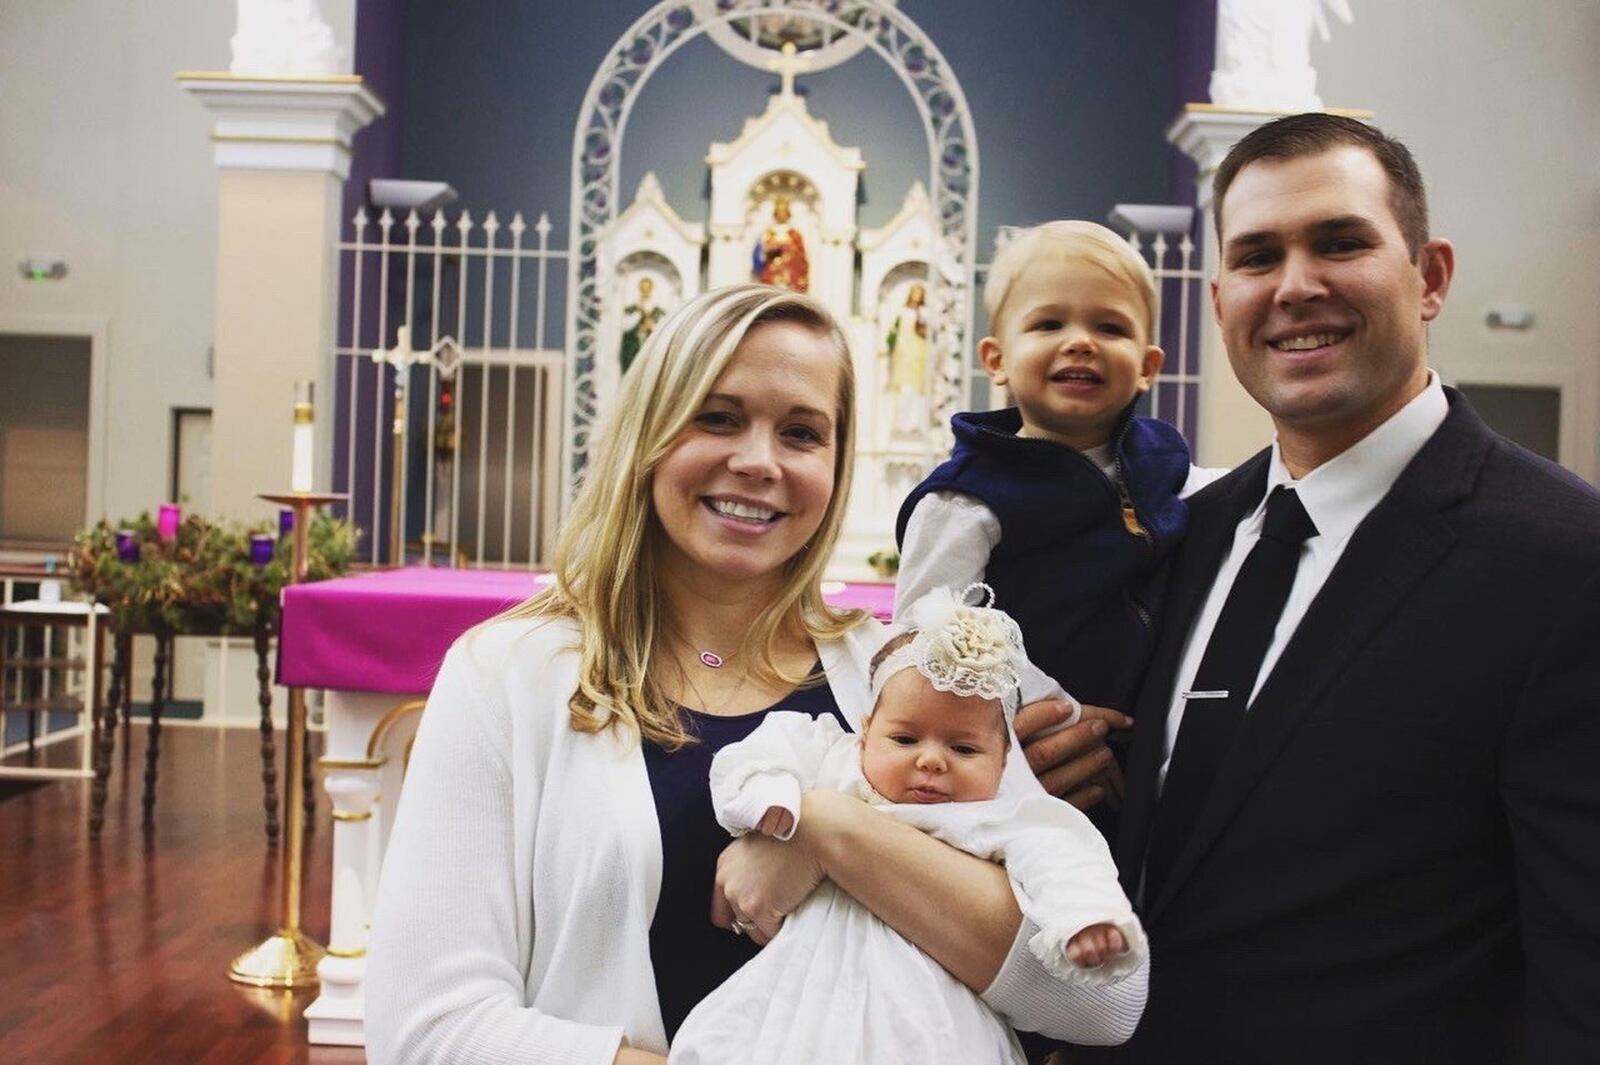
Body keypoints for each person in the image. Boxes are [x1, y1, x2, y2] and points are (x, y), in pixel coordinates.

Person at [364, 284, 1148, 1064]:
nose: (758, 462)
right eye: (718, 417)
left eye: (802, 433)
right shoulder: (508, 677)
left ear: (837, 467)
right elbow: (431, 1027)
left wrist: (832, 831)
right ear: (649, 434)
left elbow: (1098, 999)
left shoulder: (903, 677)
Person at [1112, 113, 1600, 1061]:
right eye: (1258, 257)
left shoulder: (1565, 561)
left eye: (1340, 242)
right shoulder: (1192, 534)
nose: (1297, 286)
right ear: (1220, 302)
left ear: (1431, 277)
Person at [671, 585, 1146, 1064]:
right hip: (804, 1002)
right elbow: (757, 755)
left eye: (963, 749)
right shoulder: (837, 763)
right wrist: (770, 802)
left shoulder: (997, 817)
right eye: (904, 738)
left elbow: (1064, 861)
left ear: (1005, 763)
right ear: (864, 733)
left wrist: (1086, 918)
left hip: (934, 1024)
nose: (932, 761)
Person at [894, 221, 1223, 830]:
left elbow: (1235, 504)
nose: (1081, 342)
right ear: (996, 359)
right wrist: (1057, 711)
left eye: (1110, 327)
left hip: (1153, 760)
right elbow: (926, 637)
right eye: (1049, 324)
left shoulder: (1165, 464)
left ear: (1148, 365)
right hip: (1018, 771)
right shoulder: (966, 501)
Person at [883, 282, 930, 432]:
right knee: (904, 390)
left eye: (919, 293)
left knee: (916, 391)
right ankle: (902, 423)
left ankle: (914, 423)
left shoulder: (924, 312)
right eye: (914, 293)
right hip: (904, 355)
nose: (917, 296)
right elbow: (894, 334)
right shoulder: (903, 312)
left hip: (919, 354)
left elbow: (927, 332)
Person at [752, 195, 810, 292]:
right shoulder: (768, 233)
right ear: (775, 214)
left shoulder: (795, 235)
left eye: (784, 212)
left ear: (788, 214)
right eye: (779, 212)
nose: (781, 215)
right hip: (772, 276)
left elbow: (801, 257)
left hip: (789, 278)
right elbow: (759, 256)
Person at [619, 275, 665, 373]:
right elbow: (625, 327)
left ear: (651, 289)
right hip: (634, 346)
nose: (645, 290)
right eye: (643, 288)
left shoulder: (657, 310)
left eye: (647, 288)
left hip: (650, 347)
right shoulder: (632, 308)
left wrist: (652, 327)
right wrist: (638, 314)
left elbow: (663, 328)